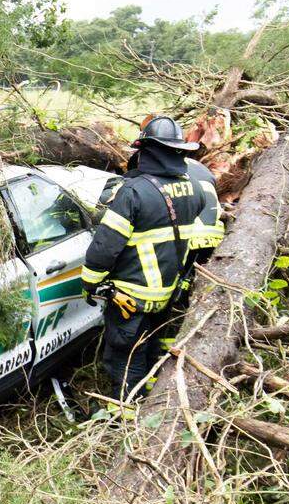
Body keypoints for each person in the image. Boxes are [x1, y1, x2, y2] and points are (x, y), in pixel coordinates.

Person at [81, 116, 208, 405]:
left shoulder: (134, 192)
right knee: (151, 350)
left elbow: (105, 245)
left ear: (146, 151)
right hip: (167, 293)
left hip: (131, 297)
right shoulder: (194, 188)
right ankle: (153, 404)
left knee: (124, 360)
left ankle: (126, 419)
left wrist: (90, 282)